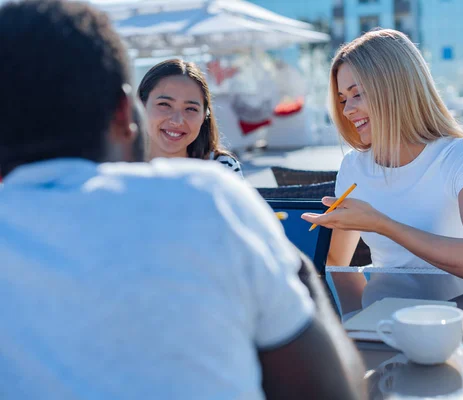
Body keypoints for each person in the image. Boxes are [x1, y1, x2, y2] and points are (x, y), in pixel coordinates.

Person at [0, 1, 365, 399]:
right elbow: (333, 392)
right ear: (128, 111)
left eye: (191, 109)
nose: (177, 120)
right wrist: (291, 267)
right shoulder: (208, 198)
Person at [302, 29, 463, 315]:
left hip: (456, 322)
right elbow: (336, 264)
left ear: (395, 88)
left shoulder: (462, 156)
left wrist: (382, 224)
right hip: (382, 322)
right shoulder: (353, 167)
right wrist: (358, 320)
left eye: (357, 94)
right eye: (343, 99)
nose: (347, 110)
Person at [138, 59, 243, 178]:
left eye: (191, 109)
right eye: (164, 104)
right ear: (141, 106)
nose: (177, 121)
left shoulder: (221, 169)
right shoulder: (117, 169)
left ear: (204, 115)